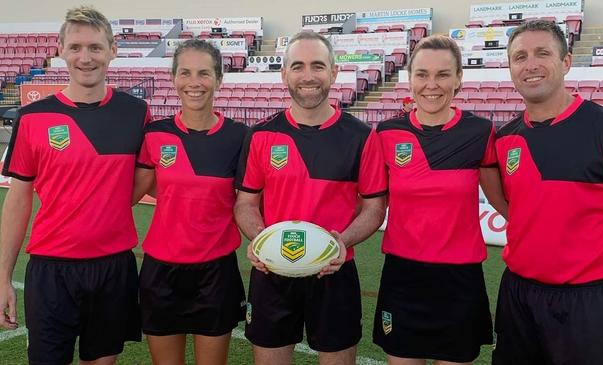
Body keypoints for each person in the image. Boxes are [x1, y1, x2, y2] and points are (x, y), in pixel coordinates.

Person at [488, 20, 603, 365]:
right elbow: (509, 202)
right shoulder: (504, 138)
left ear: (566, 62)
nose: (530, 64)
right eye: (520, 57)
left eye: (542, 53)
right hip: (518, 294)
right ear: (511, 68)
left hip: (589, 300)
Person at [0, 5, 149, 365]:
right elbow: (18, 200)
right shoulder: (33, 117)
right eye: (77, 47)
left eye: (96, 47)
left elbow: (147, 179)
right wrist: (3, 277)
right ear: (60, 49)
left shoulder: (136, 112)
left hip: (113, 267)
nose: (86, 57)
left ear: (113, 50)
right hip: (51, 270)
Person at [234, 31, 387, 365]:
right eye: (298, 66)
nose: (308, 76)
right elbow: (245, 203)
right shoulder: (261, 135)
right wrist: (260, 240)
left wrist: (340, 243)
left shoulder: (362, 137)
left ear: (333, 72)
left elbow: (375, 208)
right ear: (284, 73)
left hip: (334, 271)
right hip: (272, 270)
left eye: (317, 66)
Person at [372, 35, 495, 365]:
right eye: (422, 74)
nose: (431, 85)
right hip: (403, 276)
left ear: (458, 79)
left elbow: (506, 200)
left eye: (443, 74)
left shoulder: (481, 133)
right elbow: (369, 203)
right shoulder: (386, 133)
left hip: (459, 279)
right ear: (409, 78)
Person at [132, 39, 247, 365]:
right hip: (161, 271)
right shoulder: (155, 134)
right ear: (174, 78)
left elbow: (251, 200)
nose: (194, 82)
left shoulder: (240, 136)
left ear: (219, 79)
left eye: (204, 73)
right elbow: (132, 193)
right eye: (185, 73)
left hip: (216, 271)